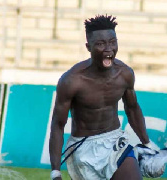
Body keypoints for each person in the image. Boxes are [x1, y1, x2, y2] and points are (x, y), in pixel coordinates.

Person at [49, 14, 152, 180]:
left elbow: (132, 108)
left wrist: (147, 144)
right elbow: (58, 124)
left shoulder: (124, 74)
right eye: (100, 44)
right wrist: (55, 171)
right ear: (88, 47)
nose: (108, 48)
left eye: (112, 42)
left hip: (115, 141)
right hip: (83, 147)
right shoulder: (72, 81)